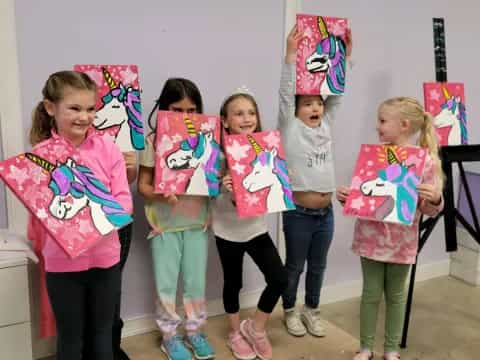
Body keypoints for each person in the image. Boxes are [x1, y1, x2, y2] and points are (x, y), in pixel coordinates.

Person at [27, 70, 133, 360]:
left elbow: (124, 199)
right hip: (62, 265)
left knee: (102, 337)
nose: (84, 117)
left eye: (90, 109)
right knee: (71, 340)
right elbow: (41, 210)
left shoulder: (108, 149)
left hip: (106, 260)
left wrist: (98, 219)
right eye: (74, 108)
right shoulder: (40, 155)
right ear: (51, 108)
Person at [336, 97, 444, 360]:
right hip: (370, 240)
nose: (377, 126)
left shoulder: (425, 162)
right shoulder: (374, 158)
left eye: (383, 121)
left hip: (402, 243)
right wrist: (350, 198)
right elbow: (368, 197)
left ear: (404, 125)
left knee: (396, 296)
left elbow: (430, 209)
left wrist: (435, 199)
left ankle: (392, 350)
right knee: (370, 294)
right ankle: (365, 348)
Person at [278, 25, 352, 337]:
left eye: (317, 103)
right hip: (298, 213)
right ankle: (290, 310)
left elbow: (336, 95)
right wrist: (291, 56)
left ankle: (312, 310)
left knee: (318, 267)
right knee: (294, 266)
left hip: (326, 213)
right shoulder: (290, 127)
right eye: (307, 104)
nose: (315, 108)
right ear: (295, 111)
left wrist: (344, 58)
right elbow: (285, 94)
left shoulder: (326, 124)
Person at [137, 78, 215, 360]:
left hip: (197, 223)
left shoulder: (207, 139)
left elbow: (213, 180)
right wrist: (161, 192)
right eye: (177, 109)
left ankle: (194, 331)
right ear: (163, 109)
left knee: (196, 283)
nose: (185, 116)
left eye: (191, 110)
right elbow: (143, 187)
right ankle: (170, 336)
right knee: (166, 285)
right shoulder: (152, 141)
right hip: (164, 227)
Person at [212, 87, 288, 360]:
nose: (246, 118)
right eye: (238, 113)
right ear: (225, 120)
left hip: (255, 228)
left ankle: (255, 328)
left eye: (251, 112)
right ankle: (235, 332)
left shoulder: (265, 148)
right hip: (227, 231)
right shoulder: (216, 154)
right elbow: (206, 191)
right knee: (233, 284)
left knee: (279, 279)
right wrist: (222, 186)